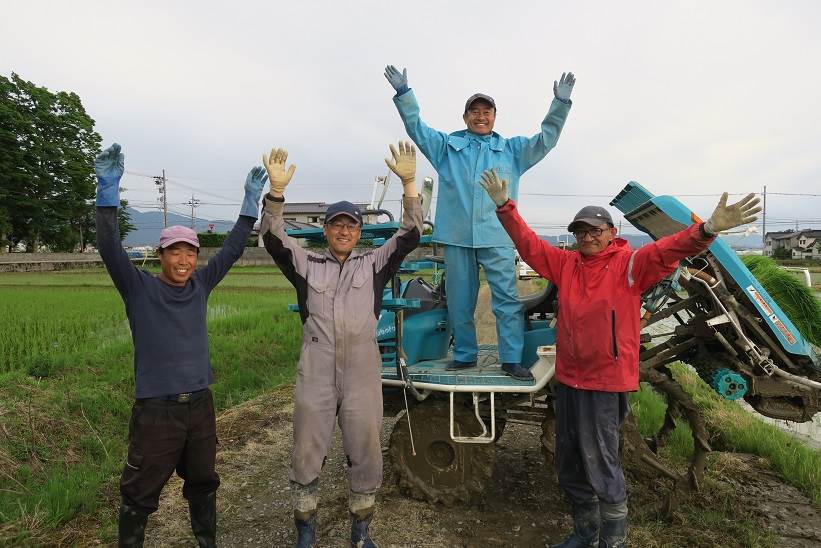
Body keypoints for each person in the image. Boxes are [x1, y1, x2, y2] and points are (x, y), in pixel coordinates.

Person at [479, 169, 761, 548]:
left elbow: (670, 249)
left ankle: (614, 540)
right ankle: (585, 532)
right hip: (571, 379)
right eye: (581, 231)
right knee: (570, 461)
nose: (588, 237)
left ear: (612, 233)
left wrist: (708, 228)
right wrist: (504, 205)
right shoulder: (566, 264)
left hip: (605, 382)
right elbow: (528, 244)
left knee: (601, 463)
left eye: (596, 230)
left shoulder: (631, 265)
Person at [95, 143, 266, 547]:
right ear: (161, 256)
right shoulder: (138, 289)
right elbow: (108, 248)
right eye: (176, 251)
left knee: (204, 481)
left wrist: (249, 204)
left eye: (190, 251)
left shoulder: (201, 285)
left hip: (200, 407)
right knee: (139, 493)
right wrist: (106, 194)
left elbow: (233, 248)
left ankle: (207, 541)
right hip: (156, 410)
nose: (185, 259)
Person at [258, 143, 423, 548]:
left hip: (363, 370)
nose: (344, 230)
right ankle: (305, 531)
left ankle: (361, 530)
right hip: (316, 366)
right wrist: (276, 196)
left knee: (366, 448)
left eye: (351, 225)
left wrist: (408, 184)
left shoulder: (375, 264)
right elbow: (273, 238)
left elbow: (412, 233)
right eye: (337, 224)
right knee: (306, 447)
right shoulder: (307, 263)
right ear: (327, 230)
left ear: (359, 232)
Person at [383, 64, 576, 381]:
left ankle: (511, 359)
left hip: (498, 236)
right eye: (474, 111)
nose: (481, 116)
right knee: (460, 301)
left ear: (495, 117)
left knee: (506, 301)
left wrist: (560, 106)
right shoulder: (447, 148)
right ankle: (464, 355)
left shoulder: (512, 150)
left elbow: (546, 140)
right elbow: (417, 127)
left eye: (487, 111)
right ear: (465, 117)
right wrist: (404, 94)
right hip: (457, 237)